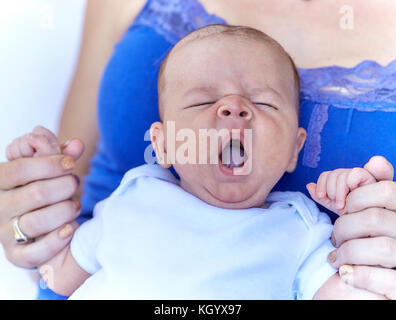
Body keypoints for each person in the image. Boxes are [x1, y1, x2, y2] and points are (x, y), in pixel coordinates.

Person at [0, 0, 395, 300]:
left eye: (263, 103)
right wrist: (32, 208)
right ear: (163, 145)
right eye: (202, 101)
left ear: (295, 149)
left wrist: (357, 203)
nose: (233, 107)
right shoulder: (131, 199)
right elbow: (56, 272)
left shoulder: (300, 230)